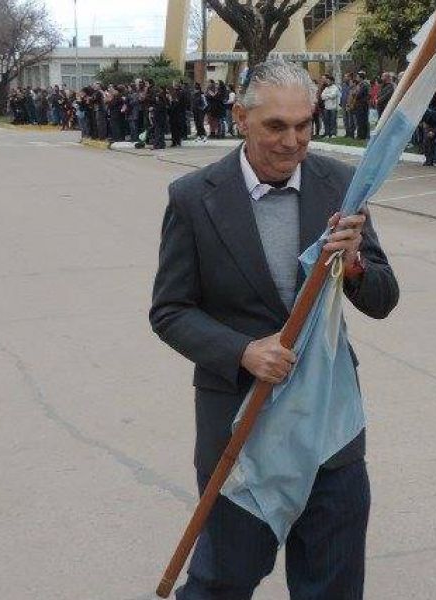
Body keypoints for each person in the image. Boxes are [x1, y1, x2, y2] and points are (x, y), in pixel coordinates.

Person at [149, 60, 398, 600]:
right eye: (276, 126)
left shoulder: (341, 185)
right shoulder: (194, 197)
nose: (293, 141)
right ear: (240, 118)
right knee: (222, 581)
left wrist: (354, 264)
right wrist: (241, 351)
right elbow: (169, 310)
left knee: (332, 586)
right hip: (243, 427)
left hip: (329, 429)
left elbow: (383, 298)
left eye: (304, 125)